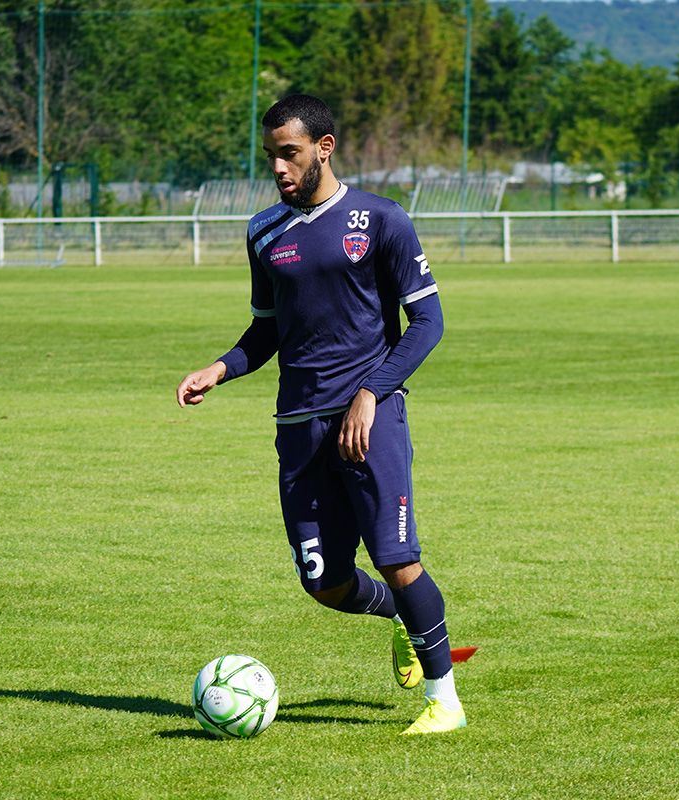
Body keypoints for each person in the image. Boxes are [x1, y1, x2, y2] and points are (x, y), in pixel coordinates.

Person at [175, 94, 464, 735]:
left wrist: (373, 391)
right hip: (297, 427)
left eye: (289, 153)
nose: (278, 167)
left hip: (370, 418)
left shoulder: (380, 219)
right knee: (325, 583)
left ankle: (445, 702)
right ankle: (402, 620)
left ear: (323, 149)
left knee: (397, 557)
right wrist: (219, 369)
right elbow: (265, 332)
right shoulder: (263, 232)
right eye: (271, 155)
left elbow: (429, 322)